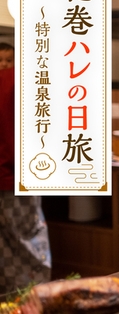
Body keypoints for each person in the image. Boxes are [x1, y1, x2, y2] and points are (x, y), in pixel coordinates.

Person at [0, 43, 51, 293]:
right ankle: (33, 300)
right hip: (17, 177)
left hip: (11, 175)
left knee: (8, 250)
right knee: (28, 244)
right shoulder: (18, 82)